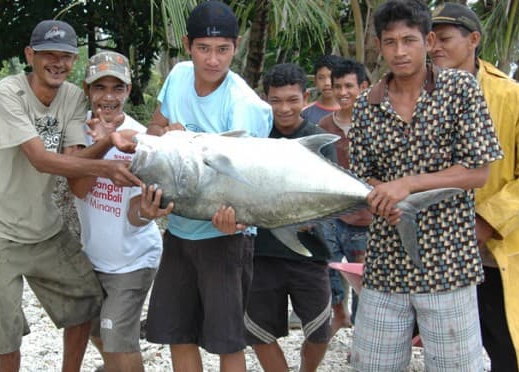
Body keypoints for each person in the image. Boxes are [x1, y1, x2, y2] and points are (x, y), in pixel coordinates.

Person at [0, 20, 141, 372]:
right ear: (31, 55)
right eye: (48, 55)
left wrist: (106, 142)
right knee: (7, 328)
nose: (57, 63)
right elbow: (41, 160)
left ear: (74, 61)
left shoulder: (73, 97)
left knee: (85, 303)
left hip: (46, 229)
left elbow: (74, 160)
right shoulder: (6, 94)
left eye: (66, 56)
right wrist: (106, 166)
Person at [347, 1, 503, 370]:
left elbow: (478, 171)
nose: (399, 52)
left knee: (456, 366)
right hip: (385, 263)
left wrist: (406, 185)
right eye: (390, 42)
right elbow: (359, 174)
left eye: (408, 40)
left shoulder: (459, 88)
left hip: (448, 260)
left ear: (428, 40)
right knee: (372, 364)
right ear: (379, 46)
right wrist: (379, 195)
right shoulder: (366, 105)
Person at [431, 4, 519, 371]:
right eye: (431, 40)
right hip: (442, 249)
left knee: (508, 347)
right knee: (453, 350)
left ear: (473, 40)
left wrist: (488, 218)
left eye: (444, 39)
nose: (435, 48)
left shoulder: (511, 96)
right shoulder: (417, 93)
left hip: (499, 248)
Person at [142, 2, 273, 371]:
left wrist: (242, 222)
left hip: (225, 236)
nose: (212, 60)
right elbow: (154, 130)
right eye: (203, 48)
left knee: (227, 341)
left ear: (237, 45)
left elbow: (249, 182)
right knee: (177, 333)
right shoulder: (180, 75)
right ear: (187, 45)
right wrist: (167, 136)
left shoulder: (244, 105)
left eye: (222, 50)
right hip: (181, 230)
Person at [71, 51, 168, 372]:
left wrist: (146, 211)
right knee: (97, 330)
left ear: (128, 91)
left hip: (132, 258)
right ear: (87, 90)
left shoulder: (141, 140)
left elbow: (134, 214)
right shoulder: (77, 131)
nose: (109, 97)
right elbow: (79, 189)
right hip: (93, 257)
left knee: (114, 335)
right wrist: (104, 144)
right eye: (100, 88)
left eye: (117, 88)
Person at [243, 63, 335, 372]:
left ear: (305, 97)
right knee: (258, 332)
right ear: (265, 99)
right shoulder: (254, 138)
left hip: (309, 254)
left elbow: (328, 195)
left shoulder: (318, 139)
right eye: (276, 100)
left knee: (321, 332)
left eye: (292, 100)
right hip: (261, 253)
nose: (284, 108)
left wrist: (311, 218)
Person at [318, 58, 372, 335]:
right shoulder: (326, 126)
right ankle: (340, 314)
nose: (342, 92)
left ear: (363, 87)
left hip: (366, 217)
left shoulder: (377, 123)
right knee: (328, 268)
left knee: (364, 276)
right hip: (332, 213)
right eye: (337, 86)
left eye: (349, 86)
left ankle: (365, 334)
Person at [300, 55, 344, 124]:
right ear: (315, 81)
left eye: (331, 77)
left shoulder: (351, 111)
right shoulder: (305, 112)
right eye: (321, 78)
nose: (327, 83)